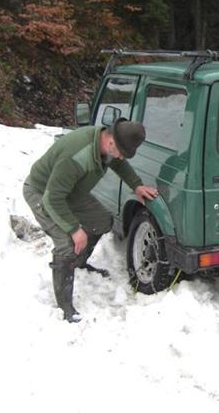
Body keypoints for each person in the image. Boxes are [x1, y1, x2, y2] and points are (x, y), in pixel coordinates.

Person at [22, 118, 157, 322]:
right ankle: (65, 308)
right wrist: (75, 229)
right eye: (122, 152)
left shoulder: (106, 145)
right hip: (43, 193)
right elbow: (52, 198)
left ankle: (79, 262)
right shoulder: (77, 155)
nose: (121, 157)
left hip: (72, 192)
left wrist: (136, 185)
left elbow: (119, 164)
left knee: (102, 221)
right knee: (66, 244)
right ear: (111, 142)